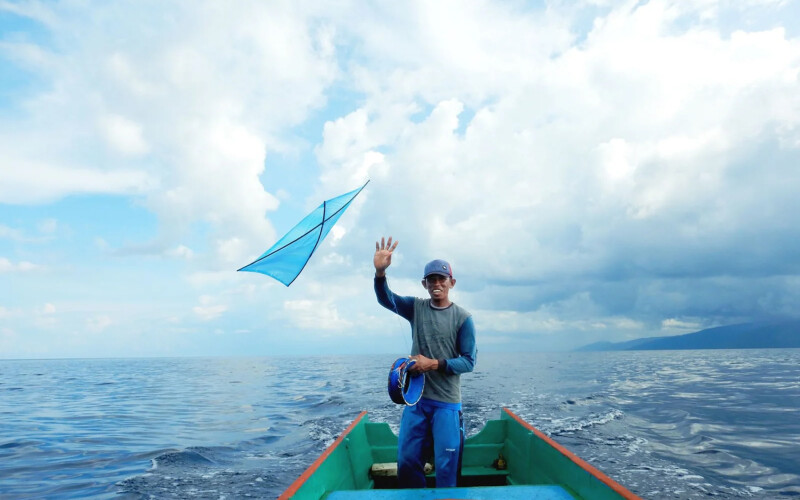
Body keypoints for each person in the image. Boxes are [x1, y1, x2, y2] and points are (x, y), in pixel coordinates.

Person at [373, 236, 477, 488]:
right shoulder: (415, 307)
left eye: (442, 279)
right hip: (416, 401)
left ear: (452, 282)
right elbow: (386, 299)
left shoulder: (463, 318)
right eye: (431, 280)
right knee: (407, 462)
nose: (437, 284)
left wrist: (432, 364)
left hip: (447, 404)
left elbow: (468, 362)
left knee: (446, 465)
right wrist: (380, 273)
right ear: (424, 284)